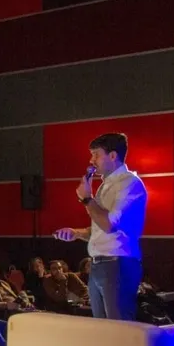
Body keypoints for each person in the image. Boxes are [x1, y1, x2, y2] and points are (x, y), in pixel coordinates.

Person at [53, 132, 147, 320]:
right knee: (102, 329)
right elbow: (100, 229)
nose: (91, 160)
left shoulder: (129, 184)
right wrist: (77, 233)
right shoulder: (106, 185)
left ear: (112, 156)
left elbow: (109, 225)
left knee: (118, 330)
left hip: (117, 264)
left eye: (96, 154)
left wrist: (87, 199)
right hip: (99, 265)